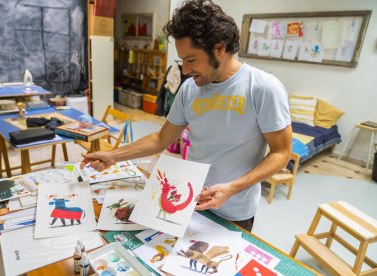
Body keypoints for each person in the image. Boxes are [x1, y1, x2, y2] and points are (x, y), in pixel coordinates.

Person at [81, 0, 292, 232]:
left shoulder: (262, 88)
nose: (184, 70)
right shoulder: (190, 89)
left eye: (191, 60)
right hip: (188, 201)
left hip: (234, 211)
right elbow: (161, 139)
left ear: (219, 49)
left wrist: (231, 187)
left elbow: (281, 153)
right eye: (182, 60)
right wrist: (113, 156)